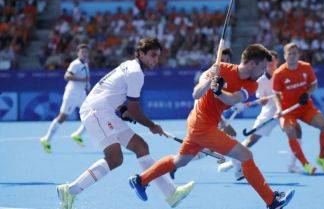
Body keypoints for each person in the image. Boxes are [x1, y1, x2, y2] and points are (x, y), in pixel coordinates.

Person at [129, 44, 295, 209]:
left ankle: (141, 180)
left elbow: (233, 99)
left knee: (180, 161)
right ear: (252, 64)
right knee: (245, 155)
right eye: (263, 66)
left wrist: (219, 92)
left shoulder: (252, 84)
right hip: (202, 125)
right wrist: (209, 81)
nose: (264, 71)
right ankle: (271, 201)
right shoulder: (220, 68)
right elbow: (196, 94)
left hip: (205, 125)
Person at [56, 37, 194, 209]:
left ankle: (171, 194)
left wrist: (122, 111)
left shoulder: (130, 66)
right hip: (96, 112)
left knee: (141, 146)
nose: (156, 60)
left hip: (106, 111)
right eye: (152, 55)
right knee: (115, 158)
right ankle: (70, 191)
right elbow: (134, 109)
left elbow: (116, 97)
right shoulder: (136, 72)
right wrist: (152, 126)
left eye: (158, 56)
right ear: (141, 54)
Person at [218, 51, 303, 180]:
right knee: (252, 139)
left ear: (277, 61)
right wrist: (263, 100)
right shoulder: (261, 79)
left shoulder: (283, 74)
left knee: (297, 131)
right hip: (269, 112)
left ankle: (292, 164)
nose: (270, 64)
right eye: (268, 62)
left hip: (284, 111)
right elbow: (262, 98)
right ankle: (235, 161)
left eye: (273, 61)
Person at [272, 43, 324, 175]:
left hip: (306, 108)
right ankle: (305, 164)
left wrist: (307, 94)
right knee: (290, 131)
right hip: (288, 112)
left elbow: (314, 85)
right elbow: (276, 94)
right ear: (285, 55)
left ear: (298, 55)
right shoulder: (279, 73)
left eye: (294, 54)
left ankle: (321, 158)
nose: (292, 56)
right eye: (289, 54)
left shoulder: (306, 67)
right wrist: (278, 108)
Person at [40, 44, 90, 153]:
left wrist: (87, 88)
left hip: (81, 94)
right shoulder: (75, 64)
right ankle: (46, 139)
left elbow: (86, 81)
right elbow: (67, 76)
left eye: (86, 52)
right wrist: (82, 80)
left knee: (91, 114)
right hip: (72, 95)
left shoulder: (86, 63)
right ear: (78, 53)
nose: (84, 54)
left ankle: (77, 135)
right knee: (62, 117)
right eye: (82, 52)